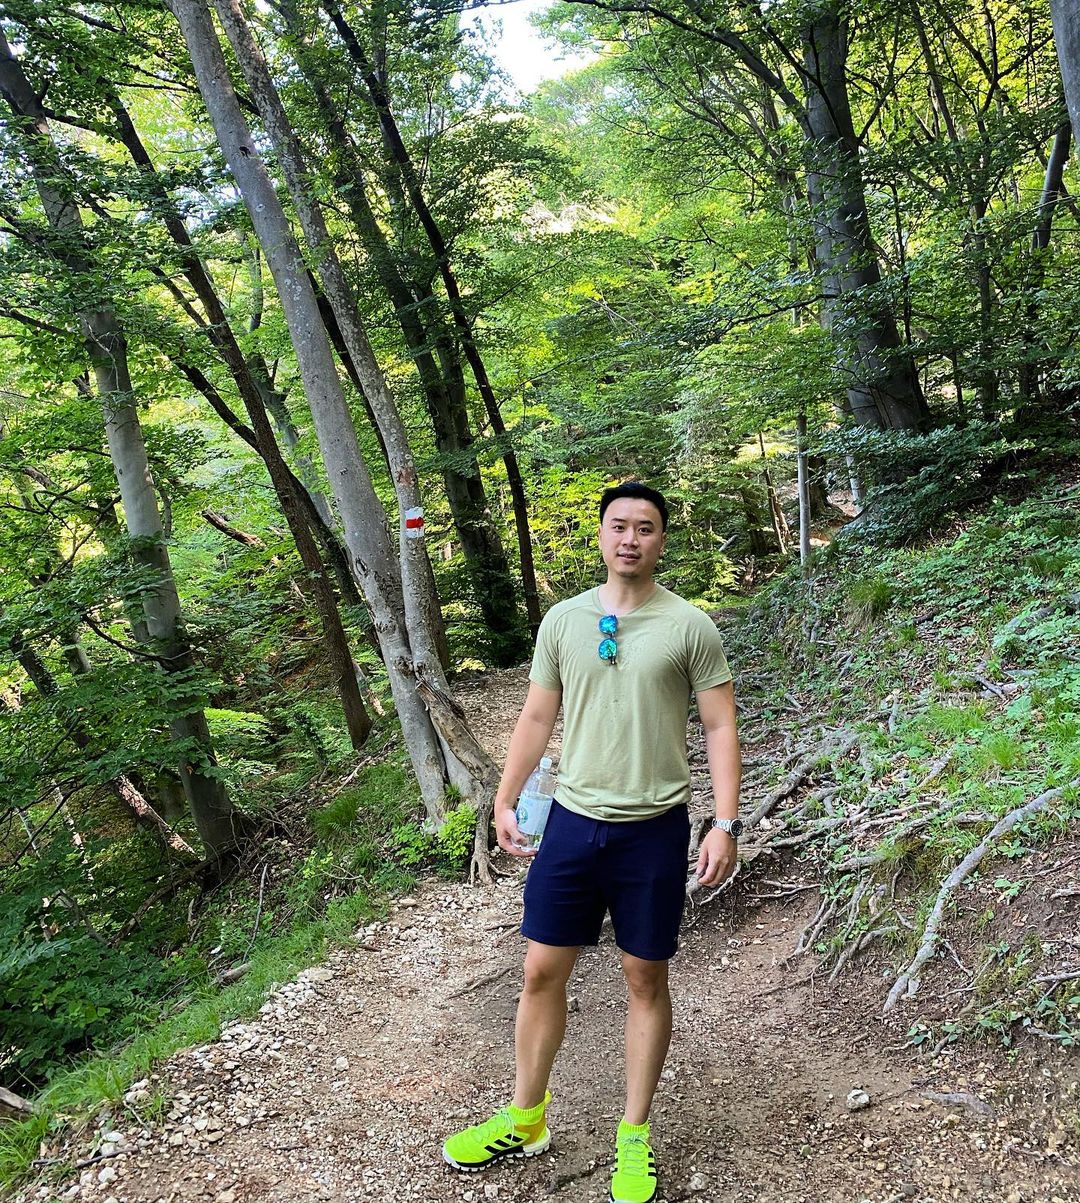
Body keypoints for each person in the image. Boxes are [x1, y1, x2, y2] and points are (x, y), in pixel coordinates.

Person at [442, 481, 741, 1203]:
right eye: (619, 525)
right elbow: (536, 716)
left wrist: (724, 822)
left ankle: (633, 1134)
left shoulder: (690, 626)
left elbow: (720, 726)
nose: (630, 538)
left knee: (645, 977)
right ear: (601, 535)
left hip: (654, 828)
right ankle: (526, 1118)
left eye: (645, 527)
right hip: (573, 823)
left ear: (661, 539)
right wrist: (504, 797)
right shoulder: (564, 620)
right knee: (541, 971)